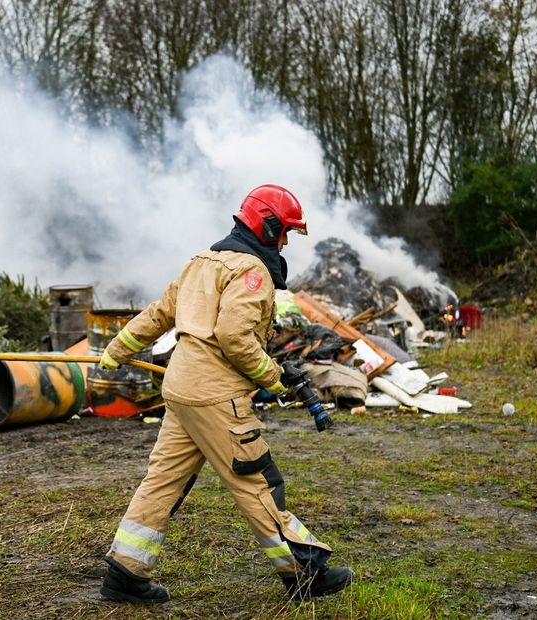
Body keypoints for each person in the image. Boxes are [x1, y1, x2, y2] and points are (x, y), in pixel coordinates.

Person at [96, 184, 353, 604]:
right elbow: (234, 338)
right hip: (216, 398)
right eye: (284, 231)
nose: (286, 242)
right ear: (267, 226)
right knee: (257, 482)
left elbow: (158, 313)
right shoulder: (251, 273)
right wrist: (272, 377)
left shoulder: (202, 262)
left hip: (180, 391)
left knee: (162, 481)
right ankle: (304, 573)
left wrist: (115, 350)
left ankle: (125, 573)